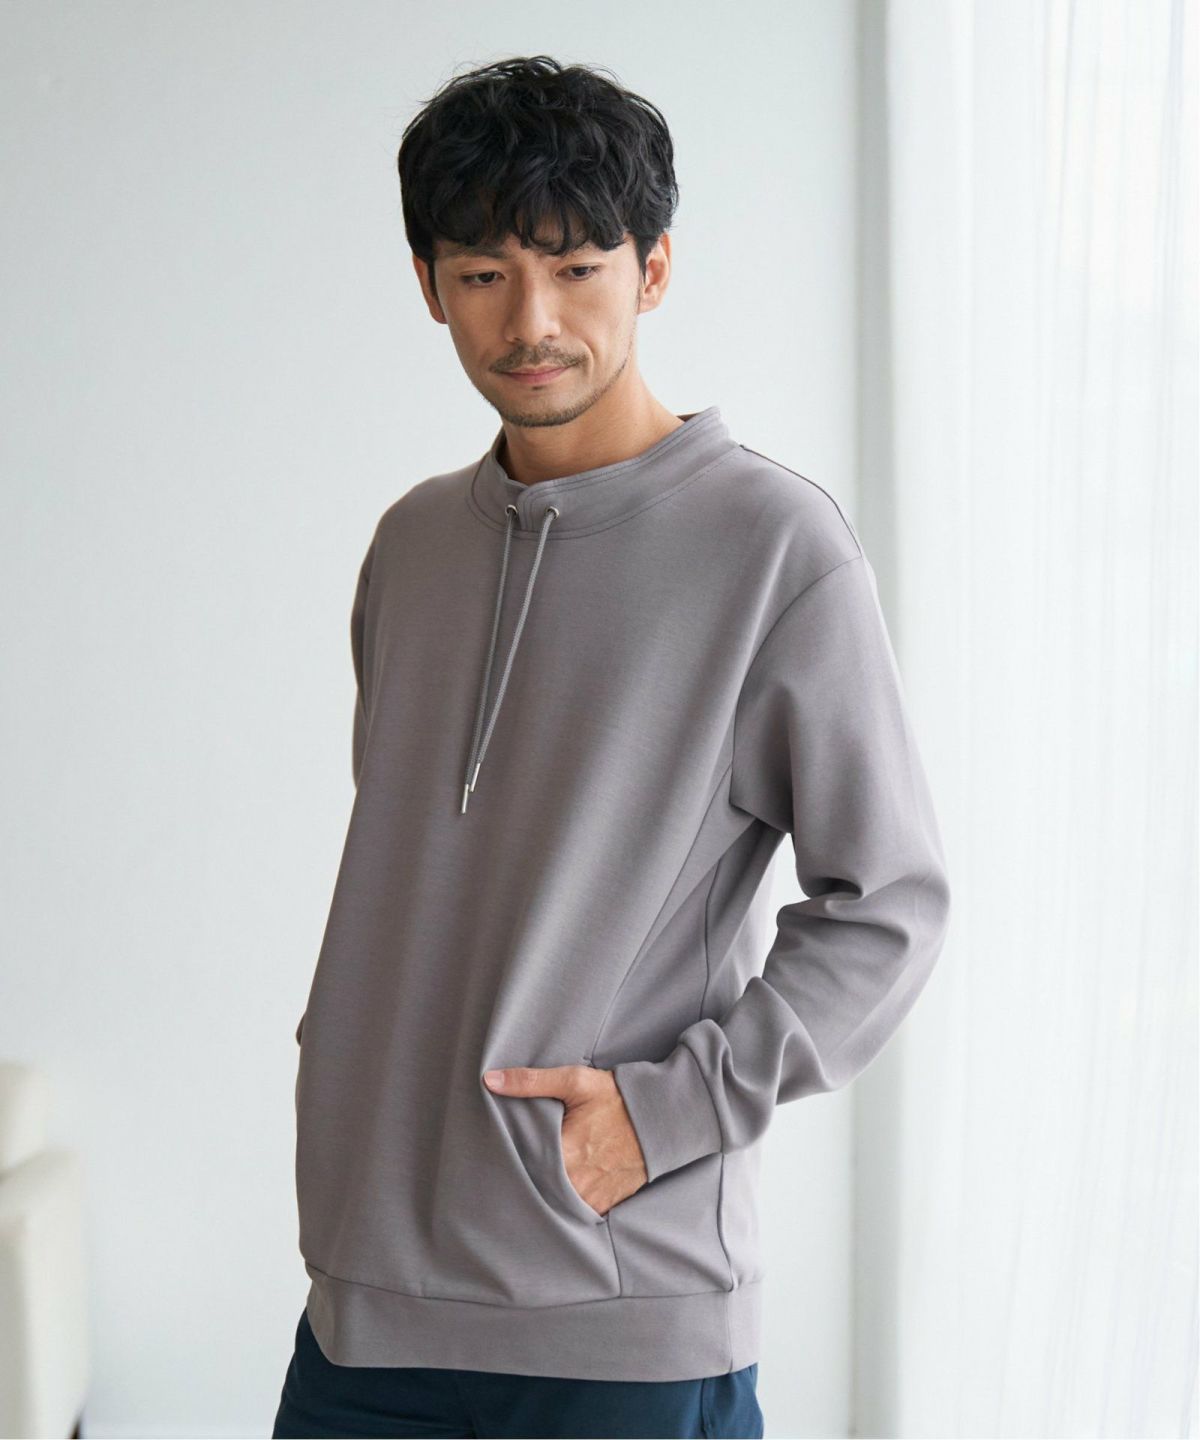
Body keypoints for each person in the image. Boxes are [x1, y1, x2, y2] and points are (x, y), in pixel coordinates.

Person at [272, 53, 951, 1440]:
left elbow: (889, 905)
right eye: (482, 273)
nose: (531, 320)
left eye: (577, 268)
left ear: (653, 271)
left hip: (619, 1312)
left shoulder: (775, 549)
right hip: (365, 1302)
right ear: (429, 285)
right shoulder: (412, 546)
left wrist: (670, 1112)